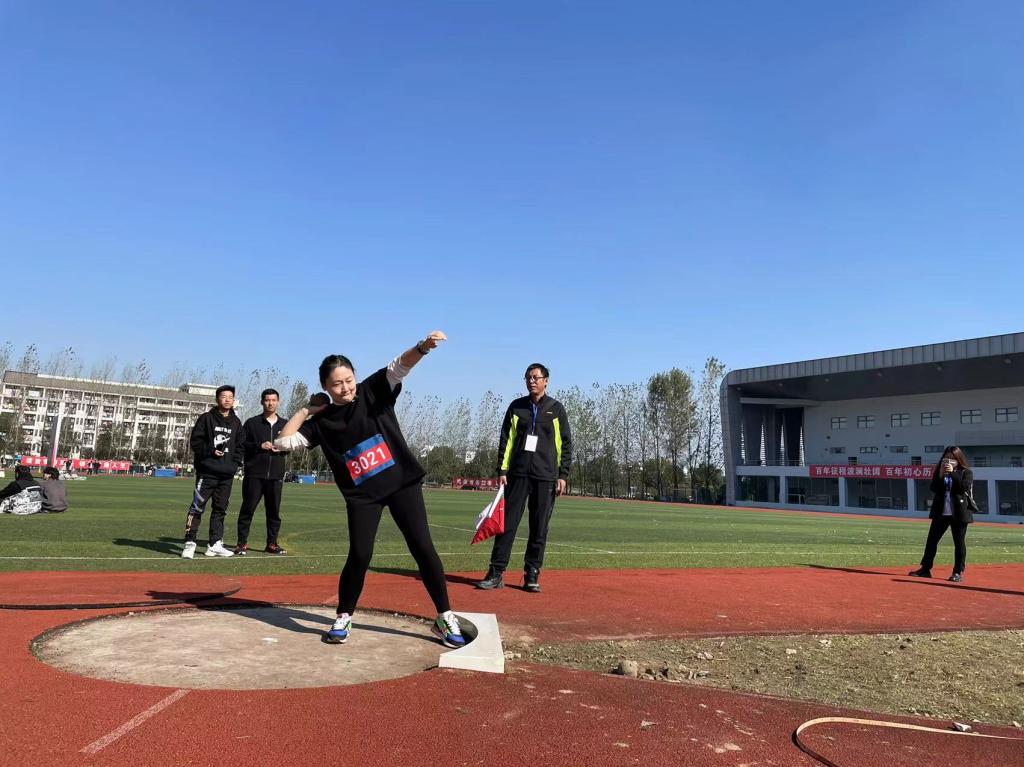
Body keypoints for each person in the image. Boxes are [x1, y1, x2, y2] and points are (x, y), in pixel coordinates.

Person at [274, 331, 465, 649]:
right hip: (363, 496)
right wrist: (307, 409)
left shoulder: (373, 390)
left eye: (348, 380)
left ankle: (445, 616)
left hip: (402, 484)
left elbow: (399, 366)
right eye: (337, 384)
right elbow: (283, 442)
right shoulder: (322, 421)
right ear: (325, 387)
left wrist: (422, 348)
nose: (345, 387)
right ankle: (343, 616)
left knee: (423, 547)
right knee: (360, 554)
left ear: (355, 376)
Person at [476, 363, 573, 593]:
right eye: (528, 377)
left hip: (545, 476)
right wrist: (502, 470)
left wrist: (563, 474)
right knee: (507, 525)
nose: (531, 381)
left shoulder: (556, 409)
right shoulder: (516, 407)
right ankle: (496, 572)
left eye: (536, 377)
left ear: (546, 381)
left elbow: (565, 443)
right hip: (517, 475)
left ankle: (532, 574)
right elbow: (506, 440)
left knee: (539, 528)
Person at [181, 385, 244, 559]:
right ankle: (190, 542)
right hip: (207, 473)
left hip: (226, 475)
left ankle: (215, 544)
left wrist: (234, 464)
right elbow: (195, 442)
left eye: (230, 397)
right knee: (196, 508)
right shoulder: (206, 418)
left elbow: (240, 446)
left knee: (220, 510)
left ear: (233, 400)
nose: (227, 400)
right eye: (223, 396)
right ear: (217, 399)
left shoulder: (237, 422)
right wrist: (211, 451)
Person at [909, 446, 975, 583]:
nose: (949, 461)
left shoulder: (966, 472)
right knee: (932, 540)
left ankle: (957, 572)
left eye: (952, 458)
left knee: (959, 543)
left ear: (958, 459)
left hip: (959, 513)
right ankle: (925, 569)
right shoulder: (940, 471)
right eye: (946, 458)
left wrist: (953, 473)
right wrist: (940, 474)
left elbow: (963, 488)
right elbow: (934, 488)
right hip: (941, 512)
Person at [235, 388, 288, 555]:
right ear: (262, 402)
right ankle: (241, 543)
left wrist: (283, 449)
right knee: (247, 509)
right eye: (267, 400)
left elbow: (290, 445)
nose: (270, 403)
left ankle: (272, 544)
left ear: (278, 402)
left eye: (273, 400)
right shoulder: (252, 423)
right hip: (254, 474)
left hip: (276, 475)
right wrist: (259, 445)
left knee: (274, 512)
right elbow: (242, 444)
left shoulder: (285, 424)